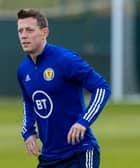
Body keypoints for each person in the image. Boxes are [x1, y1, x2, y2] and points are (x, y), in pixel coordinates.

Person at [17, 8, 111, 168]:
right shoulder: (23, 70)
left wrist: (84, 121)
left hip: (80, 153)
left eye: (29, 30)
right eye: (20, 31)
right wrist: (28, 131)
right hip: (49, 158)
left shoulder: (65, 60)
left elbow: (102, 88)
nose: (24, 35)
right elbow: (29, 101)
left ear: (44, 32)